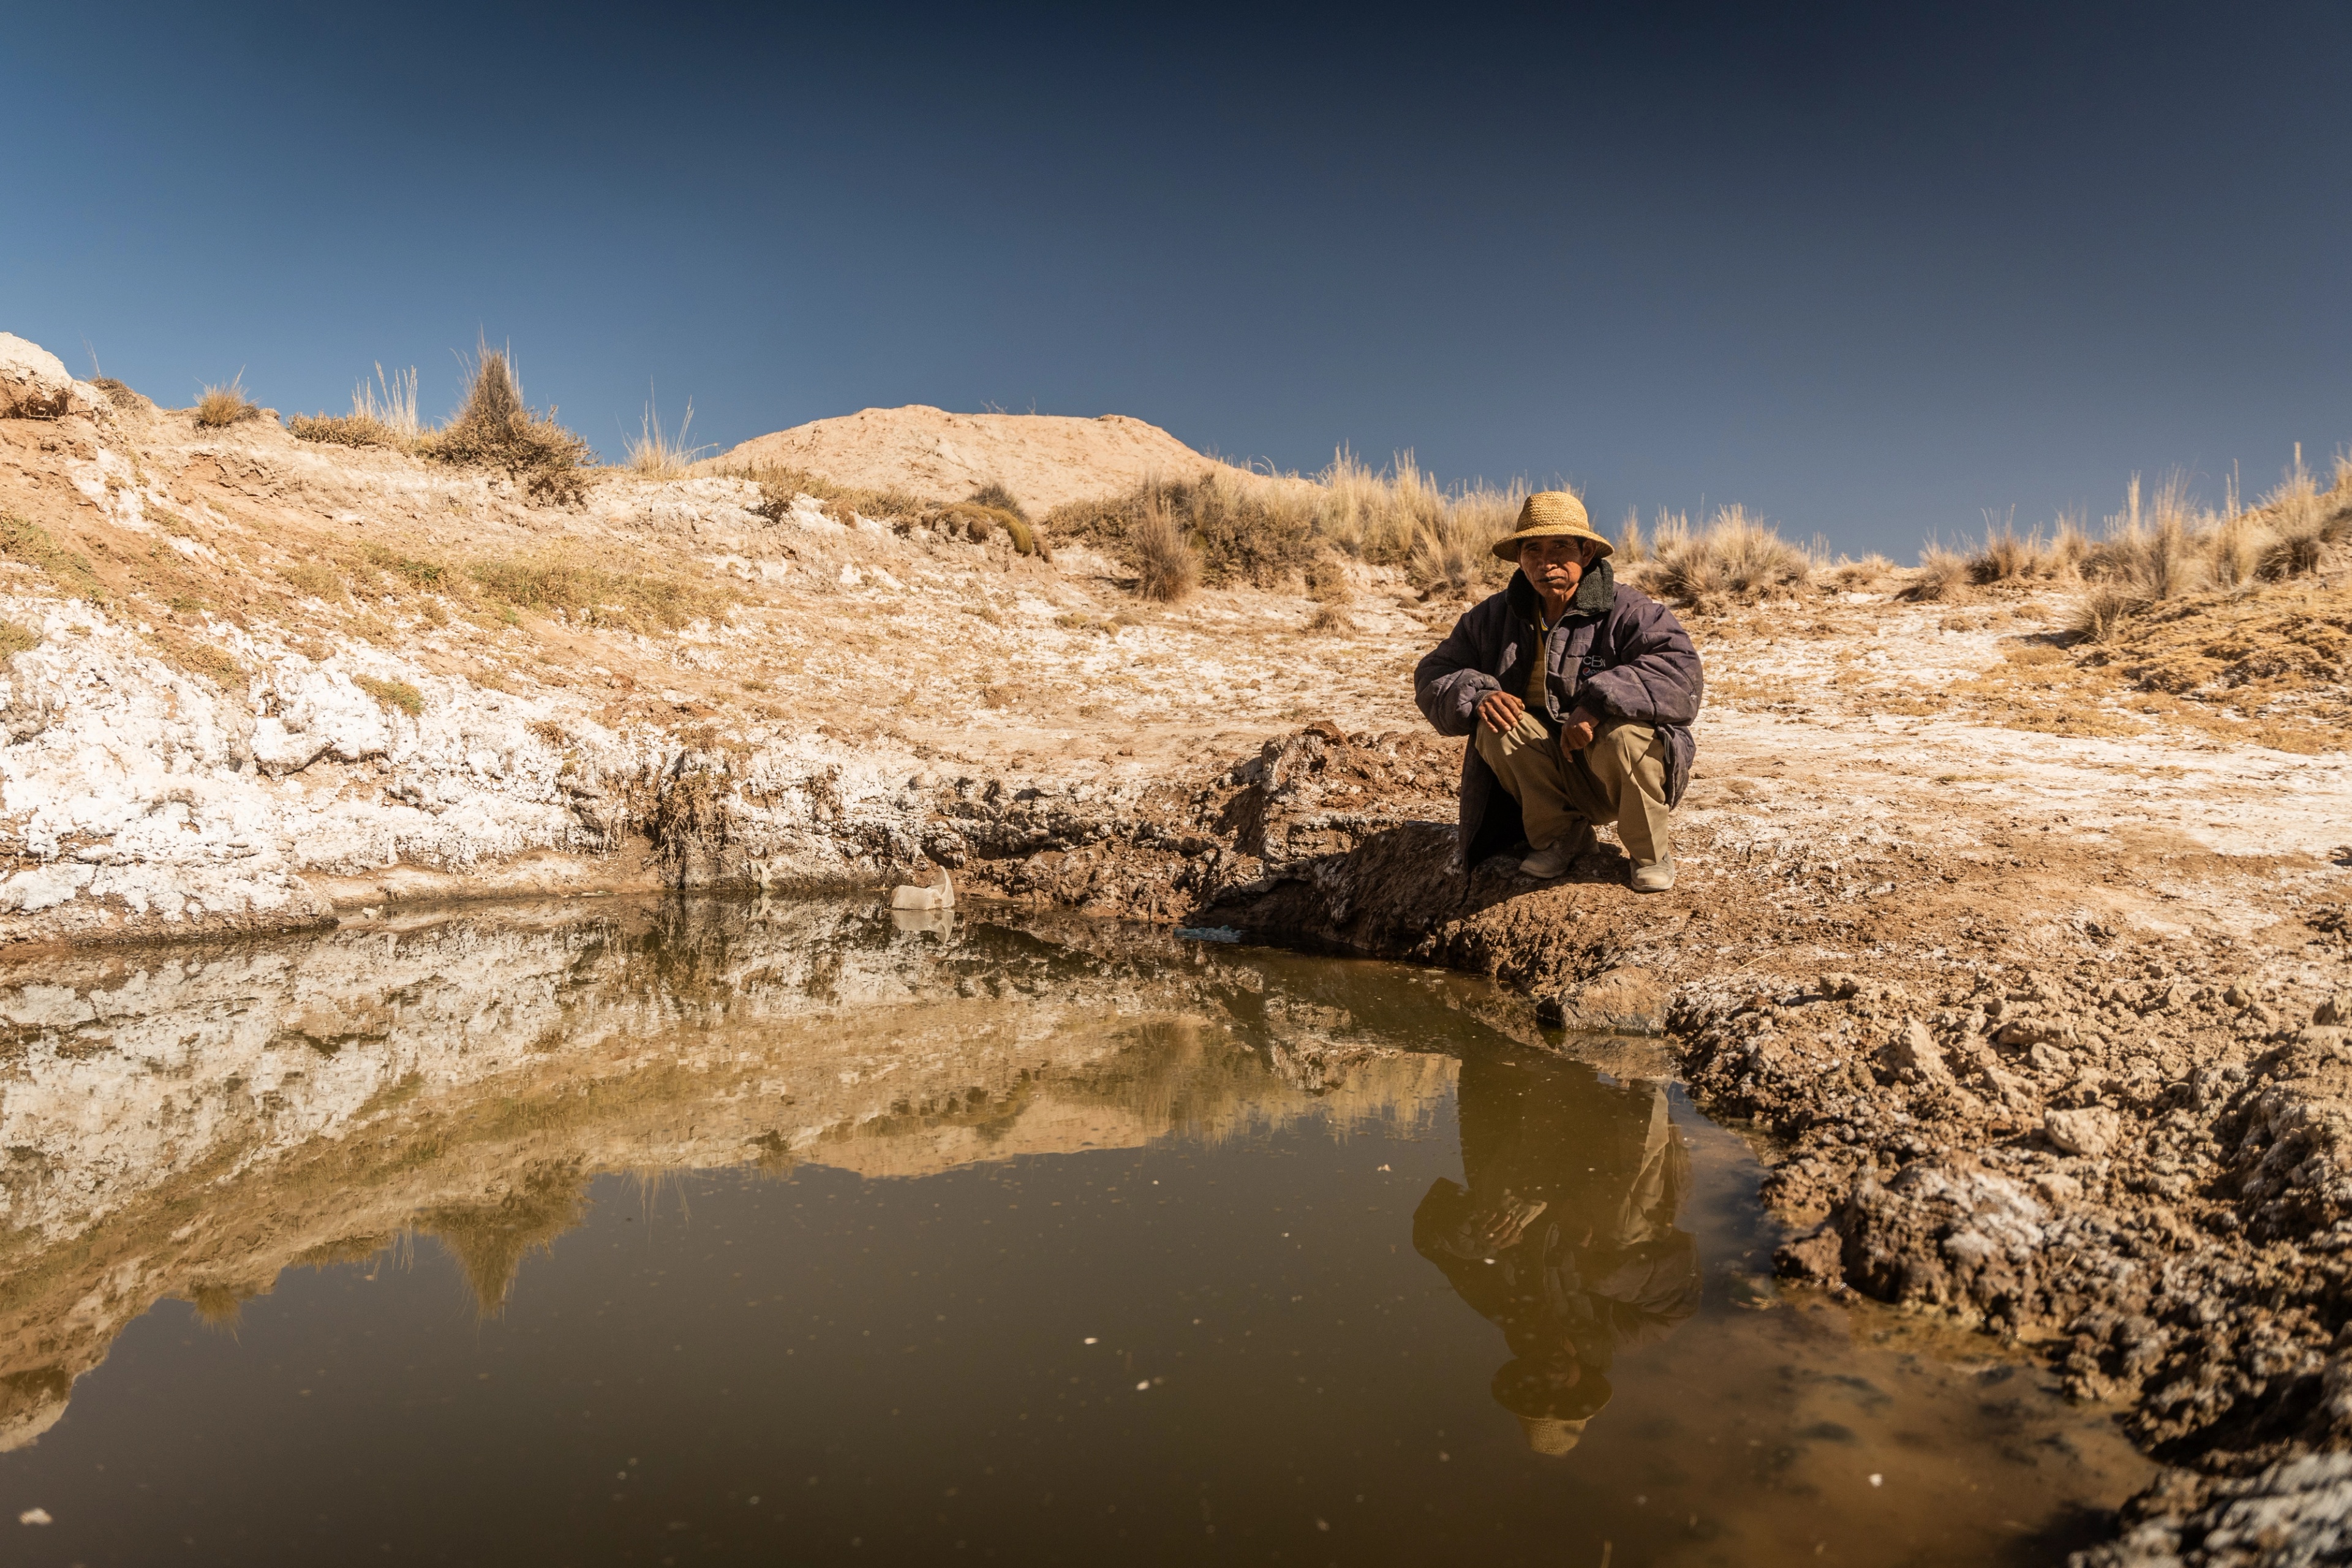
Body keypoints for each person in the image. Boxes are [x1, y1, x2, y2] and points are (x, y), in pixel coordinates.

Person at [1412, 1049, 1700, 1457]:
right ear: (1582, 1384)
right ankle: (1645, 1076)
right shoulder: (1625, 1332)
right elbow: (1682, 1297)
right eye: (1559, 1393)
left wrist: (1484, 1239)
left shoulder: (1503, 1306)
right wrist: (1598, 1270)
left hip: (1544, 1137)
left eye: (1534, 1388)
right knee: (1621, 1235)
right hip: (1623, 1150)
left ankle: (1563, 1071)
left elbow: (1429, 1238)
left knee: (1500, 1212)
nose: (1547, 1379)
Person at [1413, 491, 1702, 891]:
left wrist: (1598, 704)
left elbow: (1679, 671)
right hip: (1546, 774)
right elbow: (1433, 673)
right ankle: (1562, 838)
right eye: (1533, 548)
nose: (1545, 561)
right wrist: (1478, 694)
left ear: (1586, 553)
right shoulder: (1493, 616)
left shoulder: (1630, 609)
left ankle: (1649, 853)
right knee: (1497, 725)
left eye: (1560, 547)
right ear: (1519, 557)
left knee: (1625, 738)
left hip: (1612, 772)